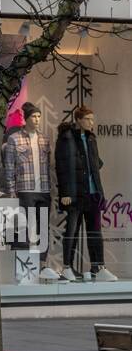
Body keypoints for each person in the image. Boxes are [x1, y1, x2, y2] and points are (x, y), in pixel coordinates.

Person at [55, 105, 117, 282]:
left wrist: (96, 164)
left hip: (93, 193)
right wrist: (65, 192)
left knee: (95, 231)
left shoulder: (91, 138)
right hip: (74, 193)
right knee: (72, 230)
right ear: (79, 120)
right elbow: (62, 166)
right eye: (88, 119)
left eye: (92, 119)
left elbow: (94, 163)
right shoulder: (66, 137)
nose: (92, 122)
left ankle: (98, 267)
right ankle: (67, 267)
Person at [1, 101, 59, 281]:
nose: (37, 119)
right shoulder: (14, 139)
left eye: (39, 116)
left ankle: (42, 264)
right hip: (25, 188)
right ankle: (24, 266)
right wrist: (11, 191)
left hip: (43, 188)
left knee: (42, 228)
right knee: (24, 227)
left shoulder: (44, 139)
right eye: (34, 116)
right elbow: (9, 167)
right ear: (26, 119)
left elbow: (49, 167)